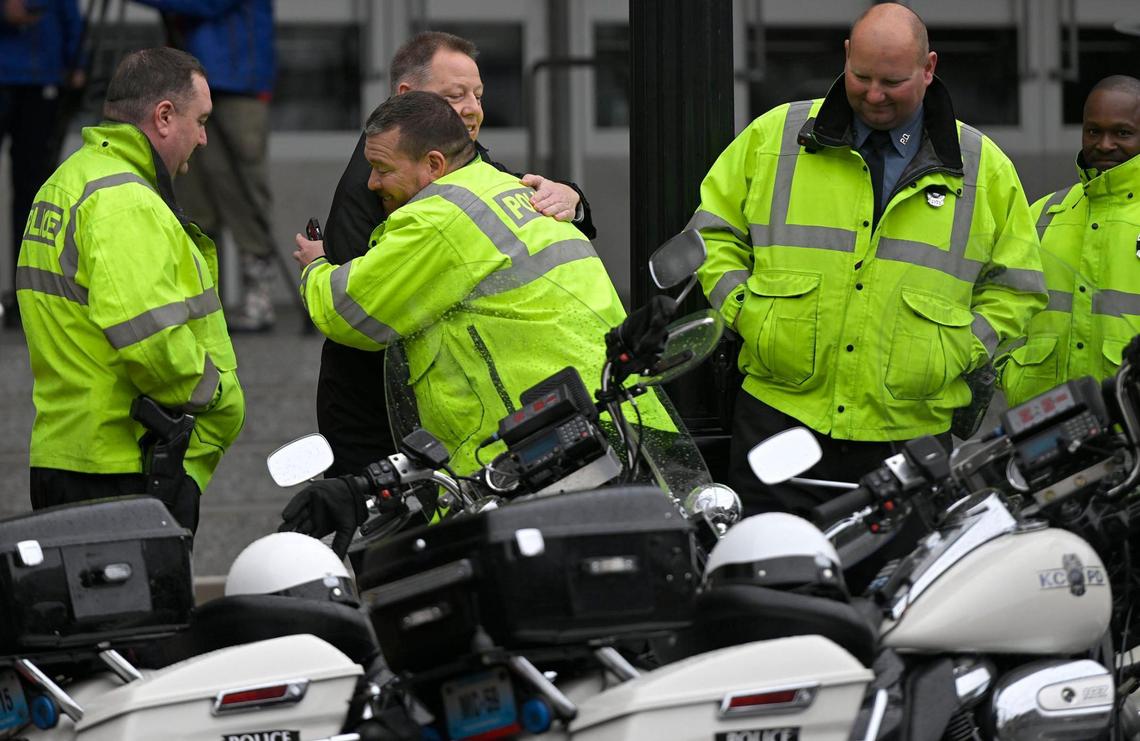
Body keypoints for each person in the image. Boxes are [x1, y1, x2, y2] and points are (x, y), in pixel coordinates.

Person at [690, 2, 1046, 517]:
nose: (873, 94)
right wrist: (749, 313)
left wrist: (958, 350)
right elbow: (711, 235)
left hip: (907, 434)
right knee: (770, 582)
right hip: (780, 416)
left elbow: (1017, 286)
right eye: (860, 76)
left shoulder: (984, 168)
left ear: (929, 69)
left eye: (893, 81)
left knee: (899, 590)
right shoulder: (775, 138)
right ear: (845, 56)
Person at [282, 91, 629, 550]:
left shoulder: (441, 216)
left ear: (434, 164)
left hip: (537, 452)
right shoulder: (510, 189)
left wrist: (316, 266)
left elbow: (350, 311)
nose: (370, 183)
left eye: (384, 169)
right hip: (608, 423)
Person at [317, 31, 596, 478]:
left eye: (478, 94)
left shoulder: (456, 162)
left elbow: (505, 208)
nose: (471, 107)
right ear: (408, 97)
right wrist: (316, 267)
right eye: (455, 95)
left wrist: (569, 197)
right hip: (382, 421)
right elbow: (358, 311)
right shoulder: (378, 183)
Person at [15, 47, 245, 534]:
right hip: (124, 467)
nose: (203, 139)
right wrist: (222, 398)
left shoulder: (65, 183)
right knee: (144, 613)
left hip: (66, 453)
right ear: (164, 116)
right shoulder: (125, 202)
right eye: (199, 121)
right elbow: (154, 345)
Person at [133, 0, 277, 332]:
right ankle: (202, 293)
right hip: (190, 83)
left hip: (239, 80)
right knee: (192, 194)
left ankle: (258, 293)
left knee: (243, 189)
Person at [1000, 75, 1140, 406]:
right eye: (1094, 131)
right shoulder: (1043, 213)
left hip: (1130, 424)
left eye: (1122, 132)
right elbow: (1003, 303)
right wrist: (1009, 374)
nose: (1104, 144)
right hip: (1047, 425)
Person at [1, 0, 84, 328]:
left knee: (35, 196)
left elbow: (69, 11)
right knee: (31, 192)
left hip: (43, 75)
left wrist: (76, 58)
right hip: (25, 70)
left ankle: (27, 299)